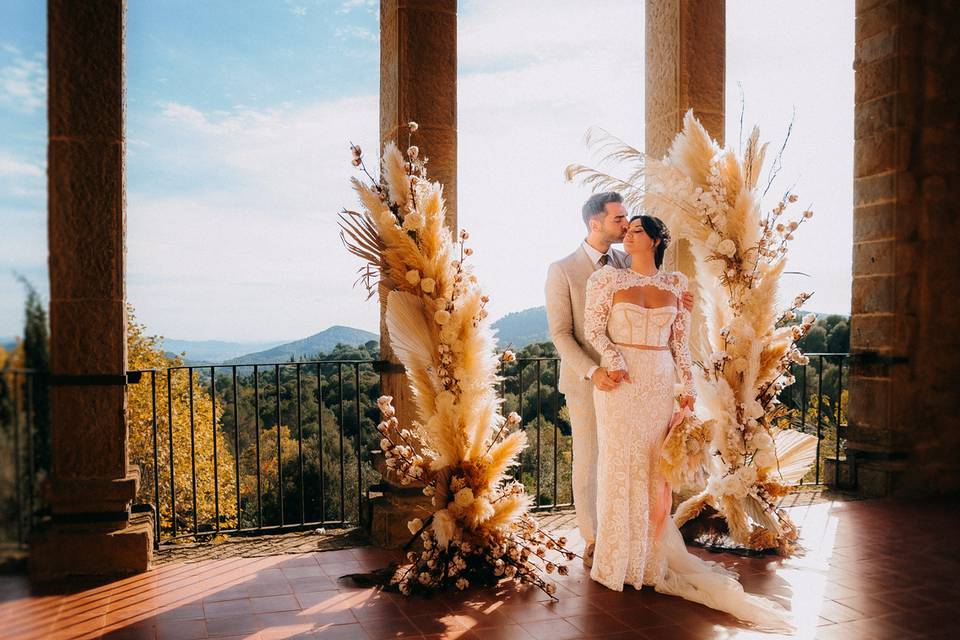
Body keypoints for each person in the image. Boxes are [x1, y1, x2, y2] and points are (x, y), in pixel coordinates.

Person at [583, 214, 792, 631]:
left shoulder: (677, 285)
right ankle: (615, 560)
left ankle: (648, 559)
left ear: (658, 240)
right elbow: (593, 328)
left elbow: (679, 343)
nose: (628, 233)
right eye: (627, 229)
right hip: (621, 385)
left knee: (651, 470)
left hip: (660, 383)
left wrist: (687, 389)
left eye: (638, 230)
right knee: (619, 465)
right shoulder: (605, 279)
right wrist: (615, 359)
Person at [544, 192, 691, 567]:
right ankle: (595, 540)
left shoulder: (631, 261)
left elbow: (660, 292)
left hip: (638, 383)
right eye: (619, 218)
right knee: (591, 461)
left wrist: (681, 303)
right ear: (595, 223)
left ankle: (636, 538)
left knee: (640, 461)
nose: (626, 225)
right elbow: (561, 333)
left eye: (629, 220)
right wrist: (595, 371)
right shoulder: (562, 270)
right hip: (588, 379)